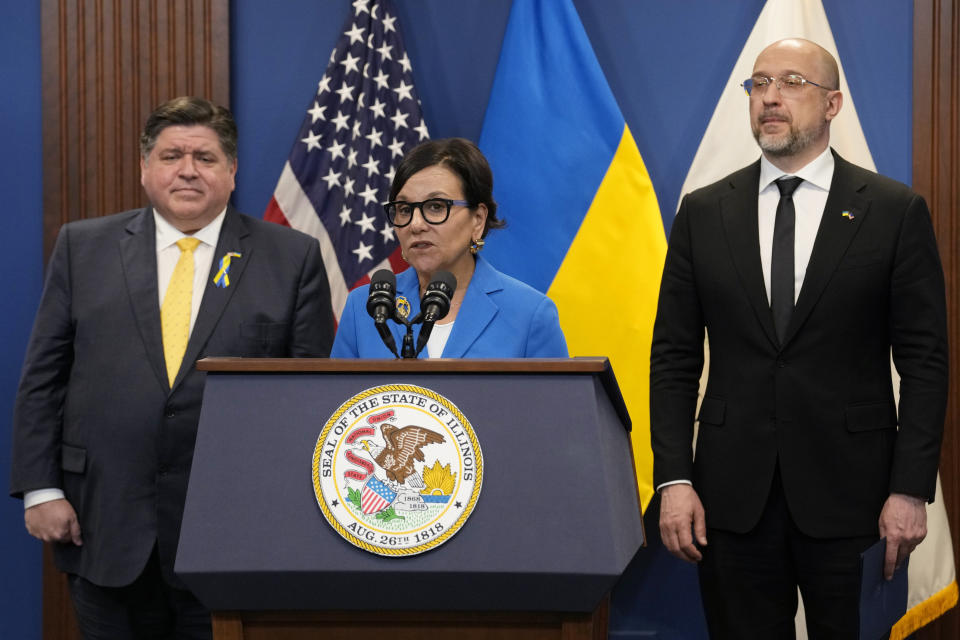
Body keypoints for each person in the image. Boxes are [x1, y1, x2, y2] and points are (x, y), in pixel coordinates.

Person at [650, 39, 947, 638]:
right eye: (758, 85)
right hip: (731, 502)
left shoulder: (893, 211)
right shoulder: (703, 212)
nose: (770, 98)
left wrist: (910, 490)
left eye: (790, 82)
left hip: (857, 499)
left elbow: (925, 362)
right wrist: (674, 478)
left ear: (833, 103)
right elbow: (674, 357)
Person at [10, 96, 335, 639]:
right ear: (144, 169)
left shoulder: (292, 257)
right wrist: (41, 488)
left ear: (231, 173)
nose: (188, 170)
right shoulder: (82, 247)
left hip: (235, 531)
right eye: (171, 156)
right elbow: (44, 377)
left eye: (205, 158)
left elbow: (307, 399)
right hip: (102, 526)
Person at [331, 138, 568, 359]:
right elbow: (337, 402)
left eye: (435, 206)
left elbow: (556, 404)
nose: (415, 224)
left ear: (478, 219)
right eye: (404, 209)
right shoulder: (365, 307)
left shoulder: (530, 315)